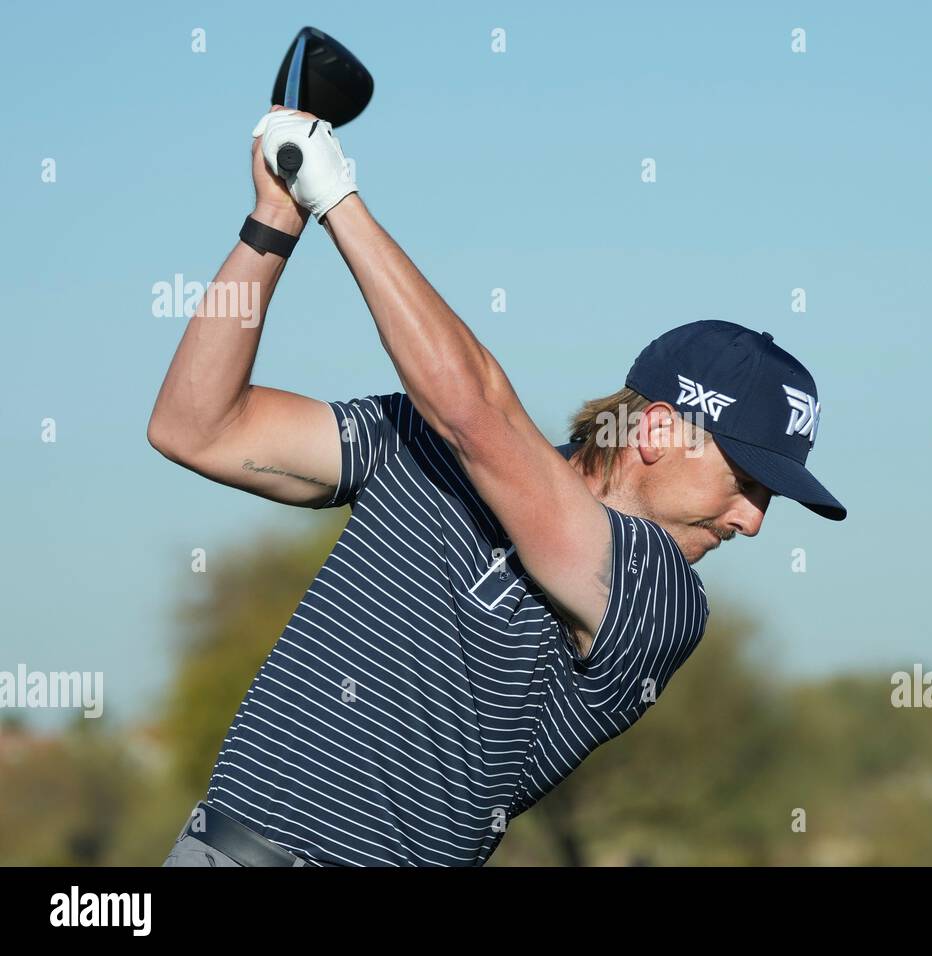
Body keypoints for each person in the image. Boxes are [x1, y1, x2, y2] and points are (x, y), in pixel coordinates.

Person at [151, 107, 846, 867]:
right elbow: (196, 426)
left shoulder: (663, 602)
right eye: (747, 483)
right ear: (656, 433)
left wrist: (337, 200)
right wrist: (275, 218)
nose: (753, 522)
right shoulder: (417, 442)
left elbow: (477, 418)